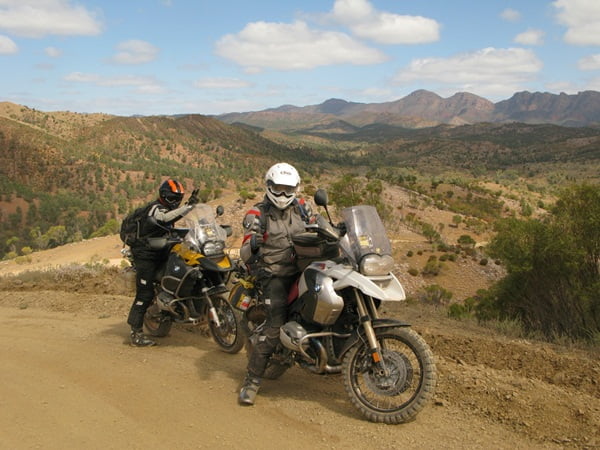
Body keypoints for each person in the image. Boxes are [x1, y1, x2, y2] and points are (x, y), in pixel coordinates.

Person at [238, 162, 311, 405]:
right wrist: (253, 244)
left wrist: (337, 231)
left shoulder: (303, 208)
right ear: (269, 187)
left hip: (303, 268)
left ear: (296, 189)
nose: (282, 194)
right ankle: (252, 380)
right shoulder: (257, 214)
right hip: (274, 273)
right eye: (277, 188)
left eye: (287, 189)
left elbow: (319, 228)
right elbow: (245, 252)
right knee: (274, 325)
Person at [126, 178, 199, 347]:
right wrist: (186, 207)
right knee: (145, 293)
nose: (176, 201)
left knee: (182, 274)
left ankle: (173, 310)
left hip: (162, 250)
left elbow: (170, 224)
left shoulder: (167, 207)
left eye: (178, 198)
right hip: (145, 254)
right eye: (173, 198)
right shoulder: (155, 209)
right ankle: (136, 333)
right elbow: (164, 219)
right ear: (164, 196)